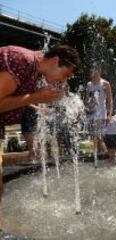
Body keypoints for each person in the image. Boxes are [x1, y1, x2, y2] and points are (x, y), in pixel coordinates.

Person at [0, 44, 79, 229]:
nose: (64, 81)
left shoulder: (34, 72)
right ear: (55, 61)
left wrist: (37, 103)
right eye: (65, 75)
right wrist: (35, 98)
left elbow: (16, 96)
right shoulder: (22, 60)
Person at [85, 65, 113, 155]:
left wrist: (109, 115)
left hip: (101, 113)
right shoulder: (89, 84)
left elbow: (110, 100)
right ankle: (98, 155)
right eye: (91, 71)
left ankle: (106, 154)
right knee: (94, 137)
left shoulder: (105, 83)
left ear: (99, 72)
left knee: (99, 137)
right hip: (91, 114)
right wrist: (86, 106)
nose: (92, 73)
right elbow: (86, 100)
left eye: (95, 71)